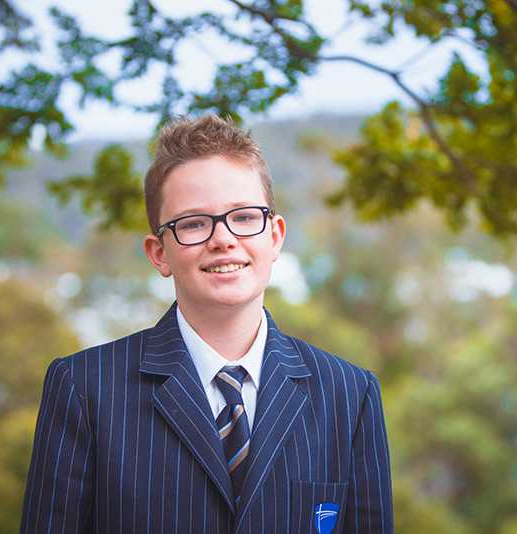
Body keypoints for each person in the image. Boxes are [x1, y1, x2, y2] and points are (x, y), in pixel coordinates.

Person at [20, 115, 393, 533]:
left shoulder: (349, 394)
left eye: (244, 216)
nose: (223, 239)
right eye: (194, 223)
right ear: (158, 253)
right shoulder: (85, 389)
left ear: (275, 235)